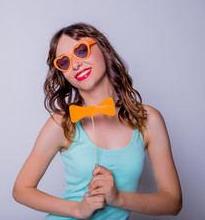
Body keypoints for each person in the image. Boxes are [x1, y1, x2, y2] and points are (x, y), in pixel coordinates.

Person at [12, 23, 182, 219]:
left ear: (103, 48)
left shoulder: (148, 120)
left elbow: (173, 202)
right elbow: (21, 190)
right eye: (64, 62)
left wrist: (118, 198)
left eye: (81, 51)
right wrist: (77, 209)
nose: (75, 64)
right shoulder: (62, 123)